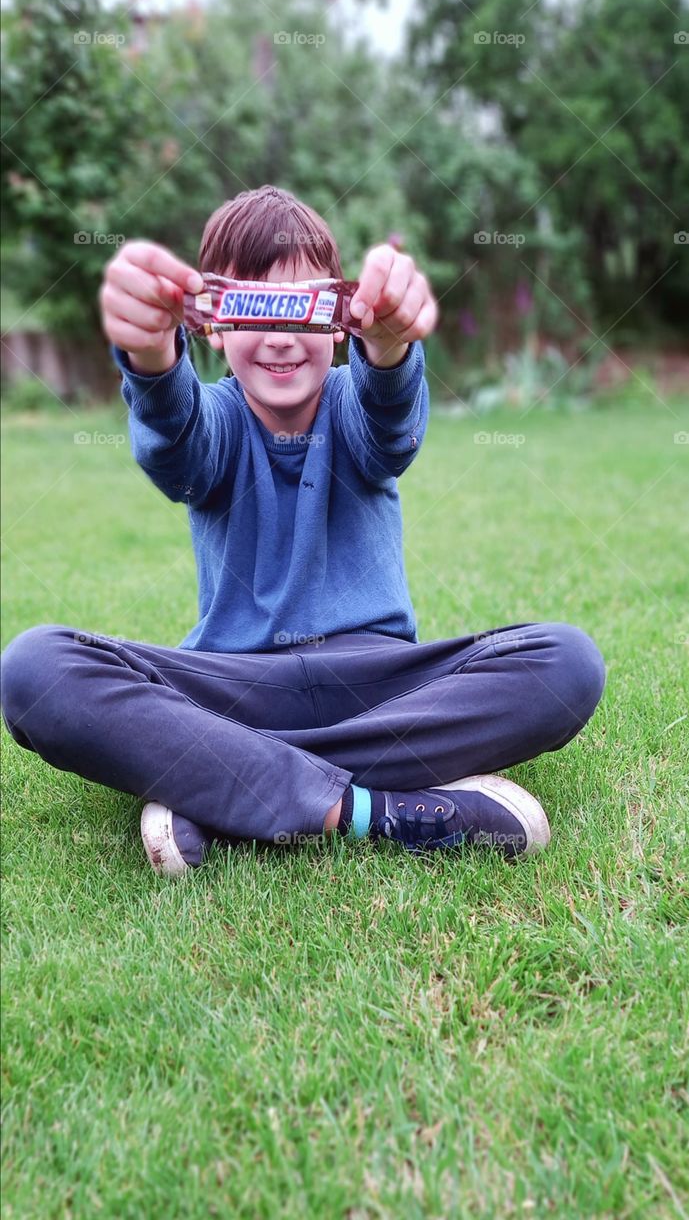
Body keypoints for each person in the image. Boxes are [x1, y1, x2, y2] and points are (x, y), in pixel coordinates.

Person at [0, 185, 606, 877]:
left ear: (339, 319)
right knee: (34, 668)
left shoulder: (355, 401)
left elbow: (389, 427)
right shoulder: (216, 421)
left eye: (306, 307)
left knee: (565, 661)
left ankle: (222, 787)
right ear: (212, 325)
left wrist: (385, 350)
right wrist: (150, 361)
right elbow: (177, 449)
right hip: (233, 691)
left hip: (377, 684)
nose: (282, 336)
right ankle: (376, 811)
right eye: (253, 307)